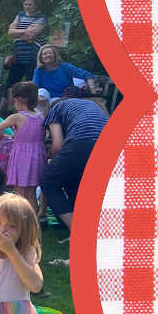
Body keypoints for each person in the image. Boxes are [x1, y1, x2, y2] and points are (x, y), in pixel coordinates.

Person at [41, 95, 108, 232]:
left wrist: (54, 160)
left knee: (48, 180)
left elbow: (57, 145)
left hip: (83, 142)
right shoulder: (90, 106)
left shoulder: (55, 110)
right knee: (75, 181)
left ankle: (78, 232)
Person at [0, 81, 46, 209]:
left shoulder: (16, 117)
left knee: (19, 193)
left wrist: (2, 136)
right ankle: (34, 223)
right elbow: (42, 135)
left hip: (22, 157)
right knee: (31, 194)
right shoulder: (40, 116)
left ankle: (19, 220)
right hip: (37, 155)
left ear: (16, 100)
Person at [3, 0, 49, 95]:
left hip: (33, 57)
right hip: (18, 56)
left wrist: (17, 32)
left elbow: (31, 36)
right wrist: (25, 31)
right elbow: (10, 32)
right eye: (25, 4)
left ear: (36, 5)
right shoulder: (20, 15)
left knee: (32, 85)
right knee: (10, 85)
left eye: (30, 4)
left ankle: (32, 109)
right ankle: (3, 110)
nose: (27, 7)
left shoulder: (42, 17)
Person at [32, 45, 97, 103]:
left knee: (50, 101)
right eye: (44, 54)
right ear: (41, 58)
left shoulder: (65, 67)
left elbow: (88, 75)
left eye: (50, 53)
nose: (48, 55)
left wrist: (93, 91)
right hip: (45, 98)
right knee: (41, 92)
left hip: (63, 99)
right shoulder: (39, 70)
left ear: (55, 56)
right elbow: (35, 86)